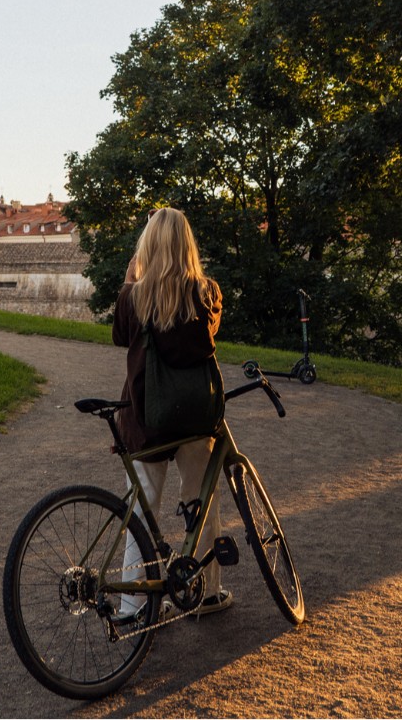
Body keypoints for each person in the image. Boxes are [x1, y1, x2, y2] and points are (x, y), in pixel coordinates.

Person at [112, 207, 233, 618]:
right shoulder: (206, 293)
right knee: (201, 497)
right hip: (195, 415)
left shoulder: (133, 297)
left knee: (141, 506)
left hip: (146, 415)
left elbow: (120, 336)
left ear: (148, 246)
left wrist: (130, 282)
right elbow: (209, 335)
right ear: (187, 246)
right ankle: (206, 592)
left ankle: (134, 605)